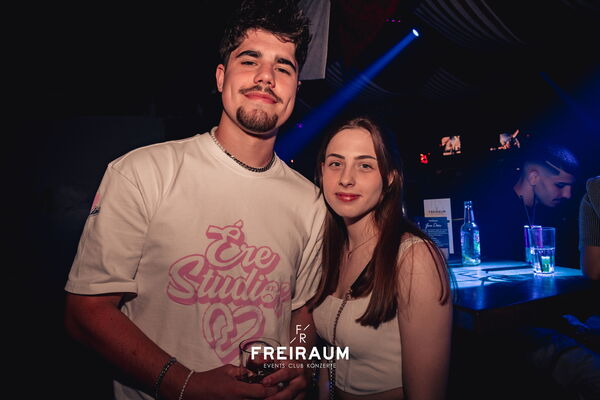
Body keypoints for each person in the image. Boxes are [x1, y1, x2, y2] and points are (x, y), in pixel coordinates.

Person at [63, 1, 326, 399]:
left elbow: (301, 311)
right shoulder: (143, 172)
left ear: (296, 90)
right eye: (249, 61)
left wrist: (300, 360)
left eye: (283, 68)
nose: (266, 77)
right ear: (221, 77)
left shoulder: (311, 202)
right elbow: (86, 313)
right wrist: (187, 385)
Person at [310, 117, 453, 399]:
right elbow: (331, 351)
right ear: (322, 171)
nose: (346, 178)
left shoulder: (413, 258)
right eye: (336, 163)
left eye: (365, 165)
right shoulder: (329, 250)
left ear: (389, 178)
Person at [474, 141, 579, 263]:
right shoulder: (494, 213)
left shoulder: (556, 214)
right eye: (560, 185)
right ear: (533, 177)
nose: (567, 195)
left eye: (571, 187)